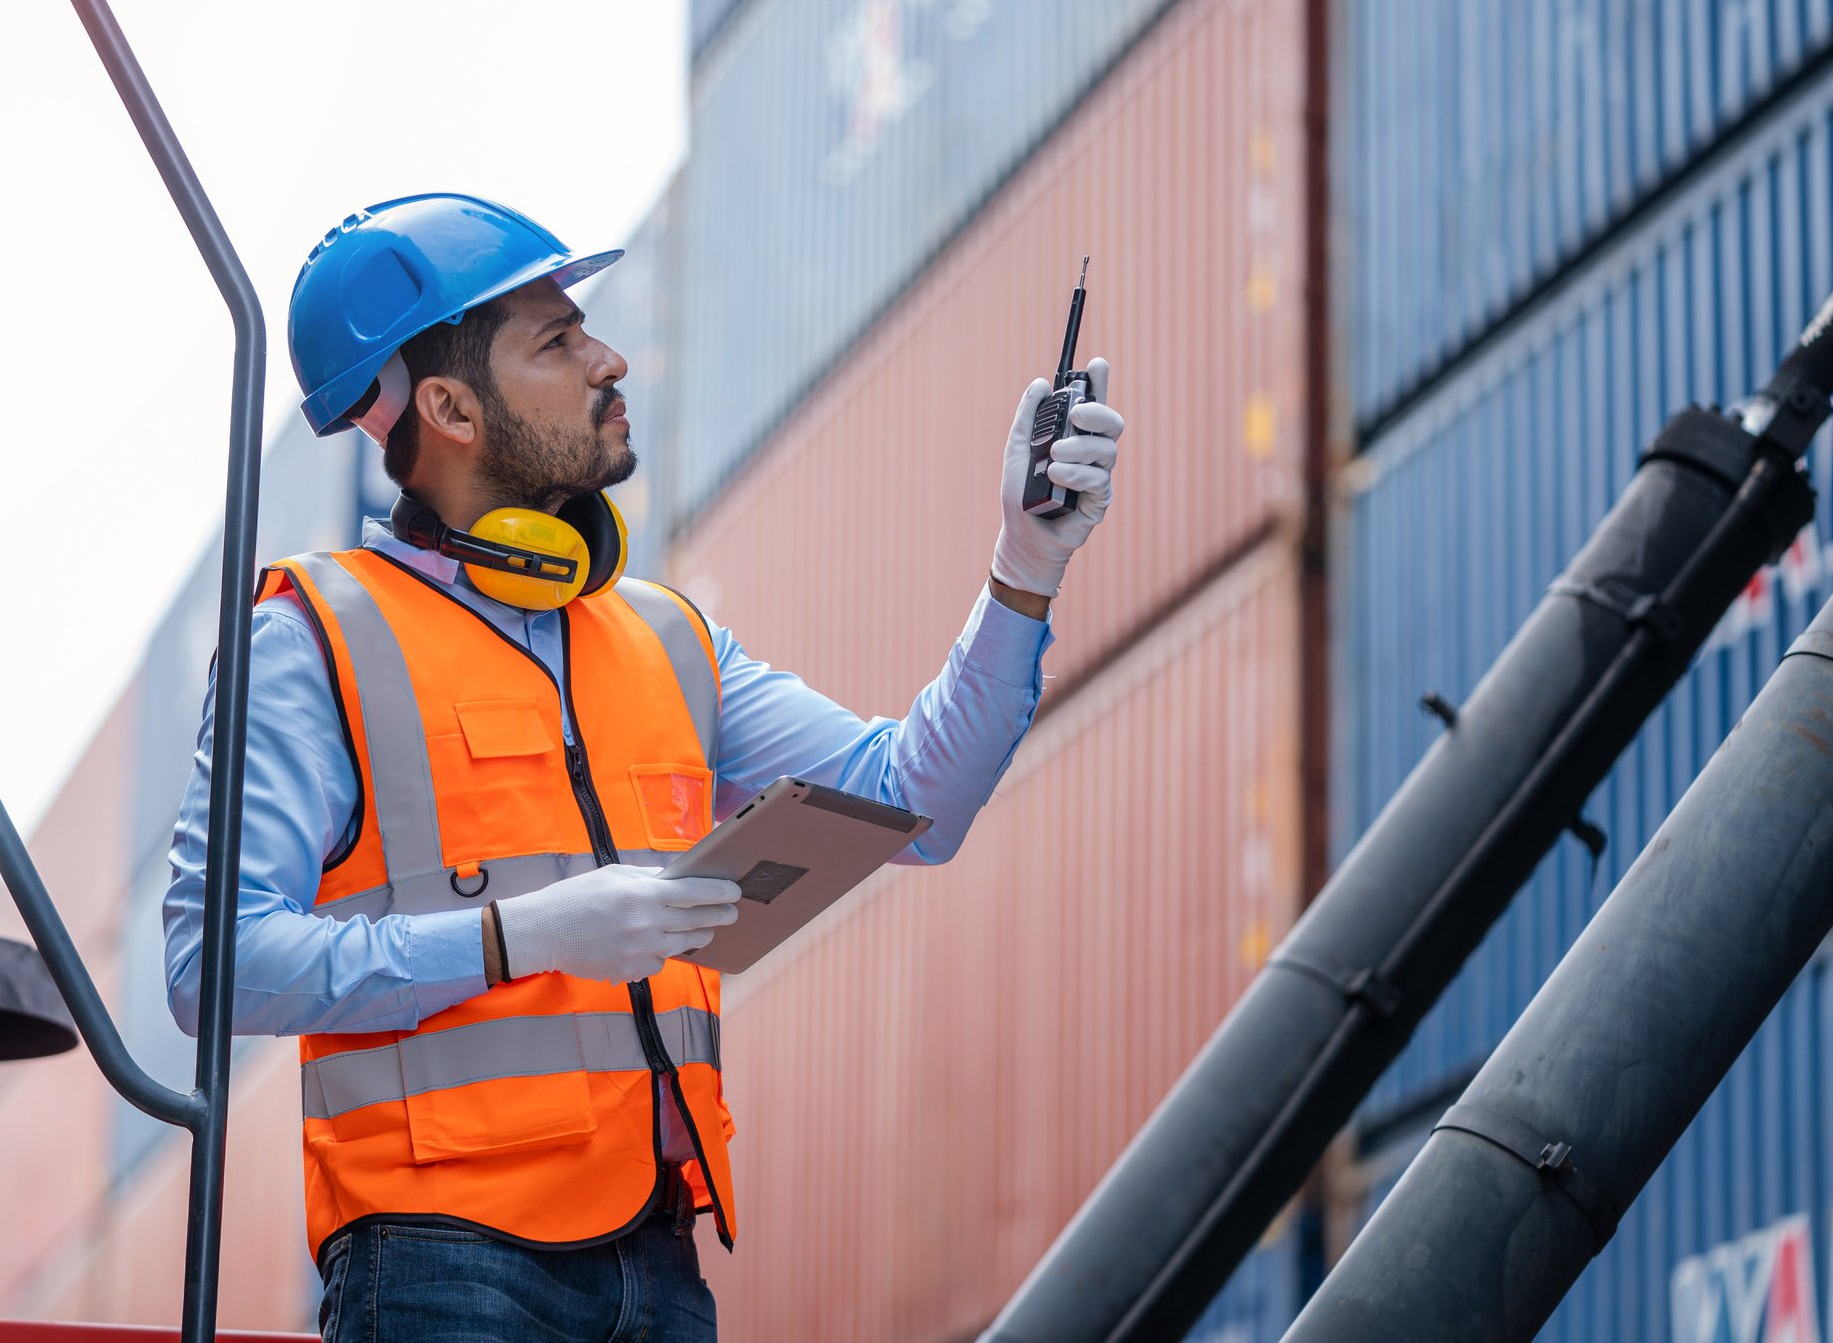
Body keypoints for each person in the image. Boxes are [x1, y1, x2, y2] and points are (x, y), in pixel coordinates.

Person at [163, 193, 1125, 1343]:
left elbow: (917, 803)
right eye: (557, 340)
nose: (609, 359)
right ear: (451, 406)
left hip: (662, 1264)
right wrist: (520, 938)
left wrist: (1025, 566)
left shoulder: (667, 637)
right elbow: (210, 963)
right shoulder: (314, 636)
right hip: (439, 1268)